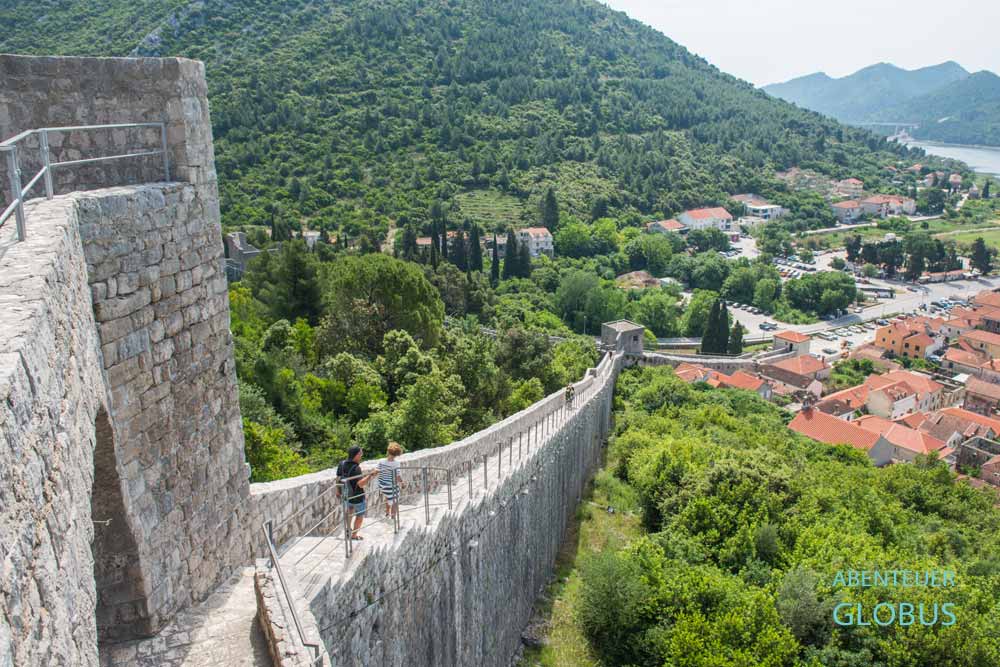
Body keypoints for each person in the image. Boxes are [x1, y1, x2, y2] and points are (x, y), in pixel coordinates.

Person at [337, 446, 377, 540]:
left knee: (349, 510)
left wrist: (338, 491)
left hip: (346, 494)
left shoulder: (341, 464)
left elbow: (338, 478)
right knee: (359, 515)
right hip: (357, 497)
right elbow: (360, 484)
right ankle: (354, 535)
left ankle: (348, 529)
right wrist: (370, 475)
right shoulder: (356, 468)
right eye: (361, 453)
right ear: (357, 454)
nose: (362, 455)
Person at [378, 442, 404, 519]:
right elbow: (397, 476)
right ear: (397, 454)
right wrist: (402, 483)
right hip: (390, 487)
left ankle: (387, 513)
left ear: (388, 451)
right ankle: (393, 517)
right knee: (395, 500)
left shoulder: (381, 461)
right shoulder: (396, 463)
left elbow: (376, 470)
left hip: (382, 486)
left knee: (388, 497)